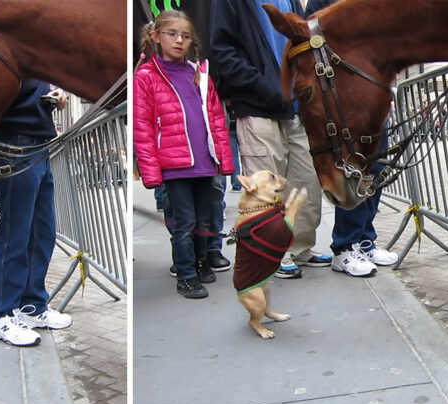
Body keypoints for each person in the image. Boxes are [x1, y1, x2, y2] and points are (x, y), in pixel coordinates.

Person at [210, 0, 332, 280]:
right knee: (266, 186)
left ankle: (300, 247)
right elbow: (223, 51)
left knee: (306, 182)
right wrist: (264, 87)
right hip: (257, 105)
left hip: (297, 106)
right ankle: (272, 255)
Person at [134, 10, 235, 299]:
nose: (179, 41)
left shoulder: (199, 73)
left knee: (205, 220)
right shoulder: (146, 76)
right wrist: (151, 170)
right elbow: (142, 125)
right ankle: (186, 274)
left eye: (186, 36)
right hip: (175, 166)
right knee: (183, 223)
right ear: (155, 36)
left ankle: (202, 262)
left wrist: (223, 160)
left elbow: (217, 118)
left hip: (204, 162)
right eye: (172, 34)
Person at [304, 0, 399, 276]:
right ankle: (345, 247)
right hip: (344, 96)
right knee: (354, 172)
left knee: (376, 171)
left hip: (373, 95)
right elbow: (311, 40)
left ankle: (365, 239)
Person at [0, 80, 73, 346]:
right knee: (15, 233)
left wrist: (53, 97)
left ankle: (31, 305)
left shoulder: (35, 52)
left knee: (42, 231)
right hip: (14, 141)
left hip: (38, 142)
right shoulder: (9, 45)